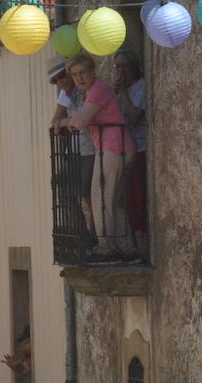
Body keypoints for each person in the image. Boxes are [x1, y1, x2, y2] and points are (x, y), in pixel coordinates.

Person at [59, 55, 136, 259]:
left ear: (93, 70)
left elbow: (80, 122)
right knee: (114, 200)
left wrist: (63, 122)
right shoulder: (91, 92)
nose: (79, 78)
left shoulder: (99, 89)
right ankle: (125, 246)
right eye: (75, 75)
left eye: (82, 73)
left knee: (100, 198)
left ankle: (106, 247)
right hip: (116, 147)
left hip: (112, 147)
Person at [49, 60, 96, 241]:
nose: (60, 82)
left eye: (62, 76)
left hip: (90, 150)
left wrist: (66, 122)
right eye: (55, 80)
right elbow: (54, 121)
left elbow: (81, 119)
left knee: (87, 195)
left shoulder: (85, 91)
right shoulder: (64, 94)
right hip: (74, 152)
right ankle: (82, 232)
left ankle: (93, 236)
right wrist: (64, 123)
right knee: (62, 189)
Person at [112, 50, 148, 254]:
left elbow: (134, 116)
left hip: (139, 148)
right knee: (126, 200)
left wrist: (124, 93)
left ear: (134, 66)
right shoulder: (116, 91)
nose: (120, 71)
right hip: (121, 150)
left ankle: (143, 241)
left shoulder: (140, 87)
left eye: (124, 66)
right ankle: (134, 240)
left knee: (139, 196)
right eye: (117, 66)